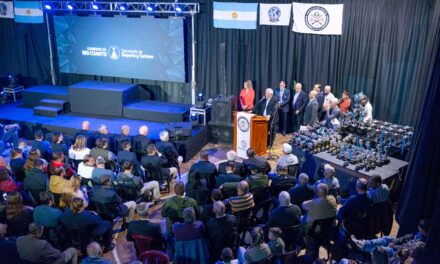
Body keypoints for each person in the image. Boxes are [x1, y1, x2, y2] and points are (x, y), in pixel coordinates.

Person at [351, 219, 430, 263]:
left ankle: (362, 248)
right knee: (386, 239)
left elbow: (406, 252)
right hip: (398, 245)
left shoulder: (424, 243)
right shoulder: (417, 233)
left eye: (421, 229)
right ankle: (362, 243)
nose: (419, 229)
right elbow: (405, 237)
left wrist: (396, 247)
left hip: (398, 252)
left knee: (380, 249)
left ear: (425, 230)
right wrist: (394, 242)